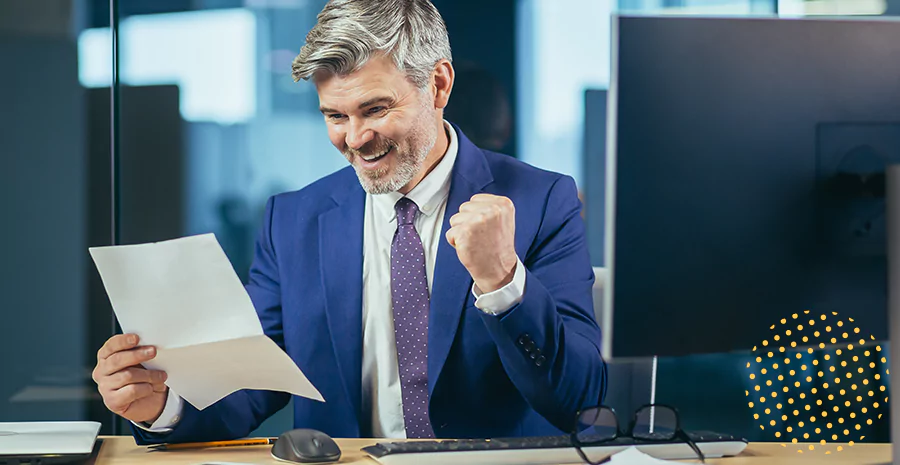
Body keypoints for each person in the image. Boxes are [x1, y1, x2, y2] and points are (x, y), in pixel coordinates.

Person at [92, 0, 606, 442]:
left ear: (439, 85)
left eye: (375, 109)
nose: (355, 139)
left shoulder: (543, 201)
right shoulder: (293, 220)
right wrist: (161, 406)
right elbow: (251, 381)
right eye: (335, 116)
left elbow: (579, 402)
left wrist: (503, 281)